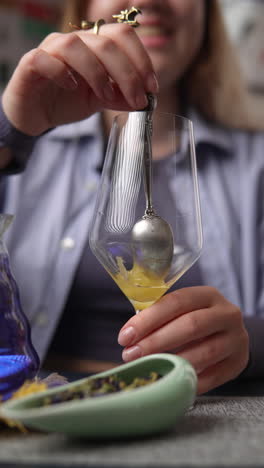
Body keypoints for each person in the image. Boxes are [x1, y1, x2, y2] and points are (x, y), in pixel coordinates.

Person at [0, 0, 263, 396]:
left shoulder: (257, 162)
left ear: (207, 14)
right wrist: (11, 132)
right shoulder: (24, 142)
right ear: (85, 8)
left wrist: (250, 343)